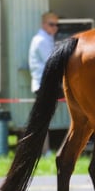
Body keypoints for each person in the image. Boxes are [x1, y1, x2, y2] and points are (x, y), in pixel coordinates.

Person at [28, 11, 59, 157]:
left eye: (56, 25)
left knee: (43, 119)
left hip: (45, 84)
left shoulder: (47, 38)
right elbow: (52, 62)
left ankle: (42, 151)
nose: (55, 28)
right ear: (44, 24)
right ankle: (42, 152)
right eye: (51, 24)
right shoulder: (41, 40)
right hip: (43, 85)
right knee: (42, 120)